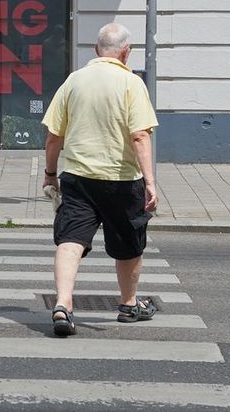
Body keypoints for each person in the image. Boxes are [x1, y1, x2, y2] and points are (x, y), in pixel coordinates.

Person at [41, 23, 159, 337]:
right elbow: (139, 136)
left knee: (70, 239)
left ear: (96, 50)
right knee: (128, 245)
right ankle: (129, 304)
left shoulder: (73, 81)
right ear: (126, 52)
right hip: (121, 179)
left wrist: (50, 174)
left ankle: (63, 304)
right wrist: (150, 181)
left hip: (78, 178)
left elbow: (54, 137)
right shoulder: (131, 83)